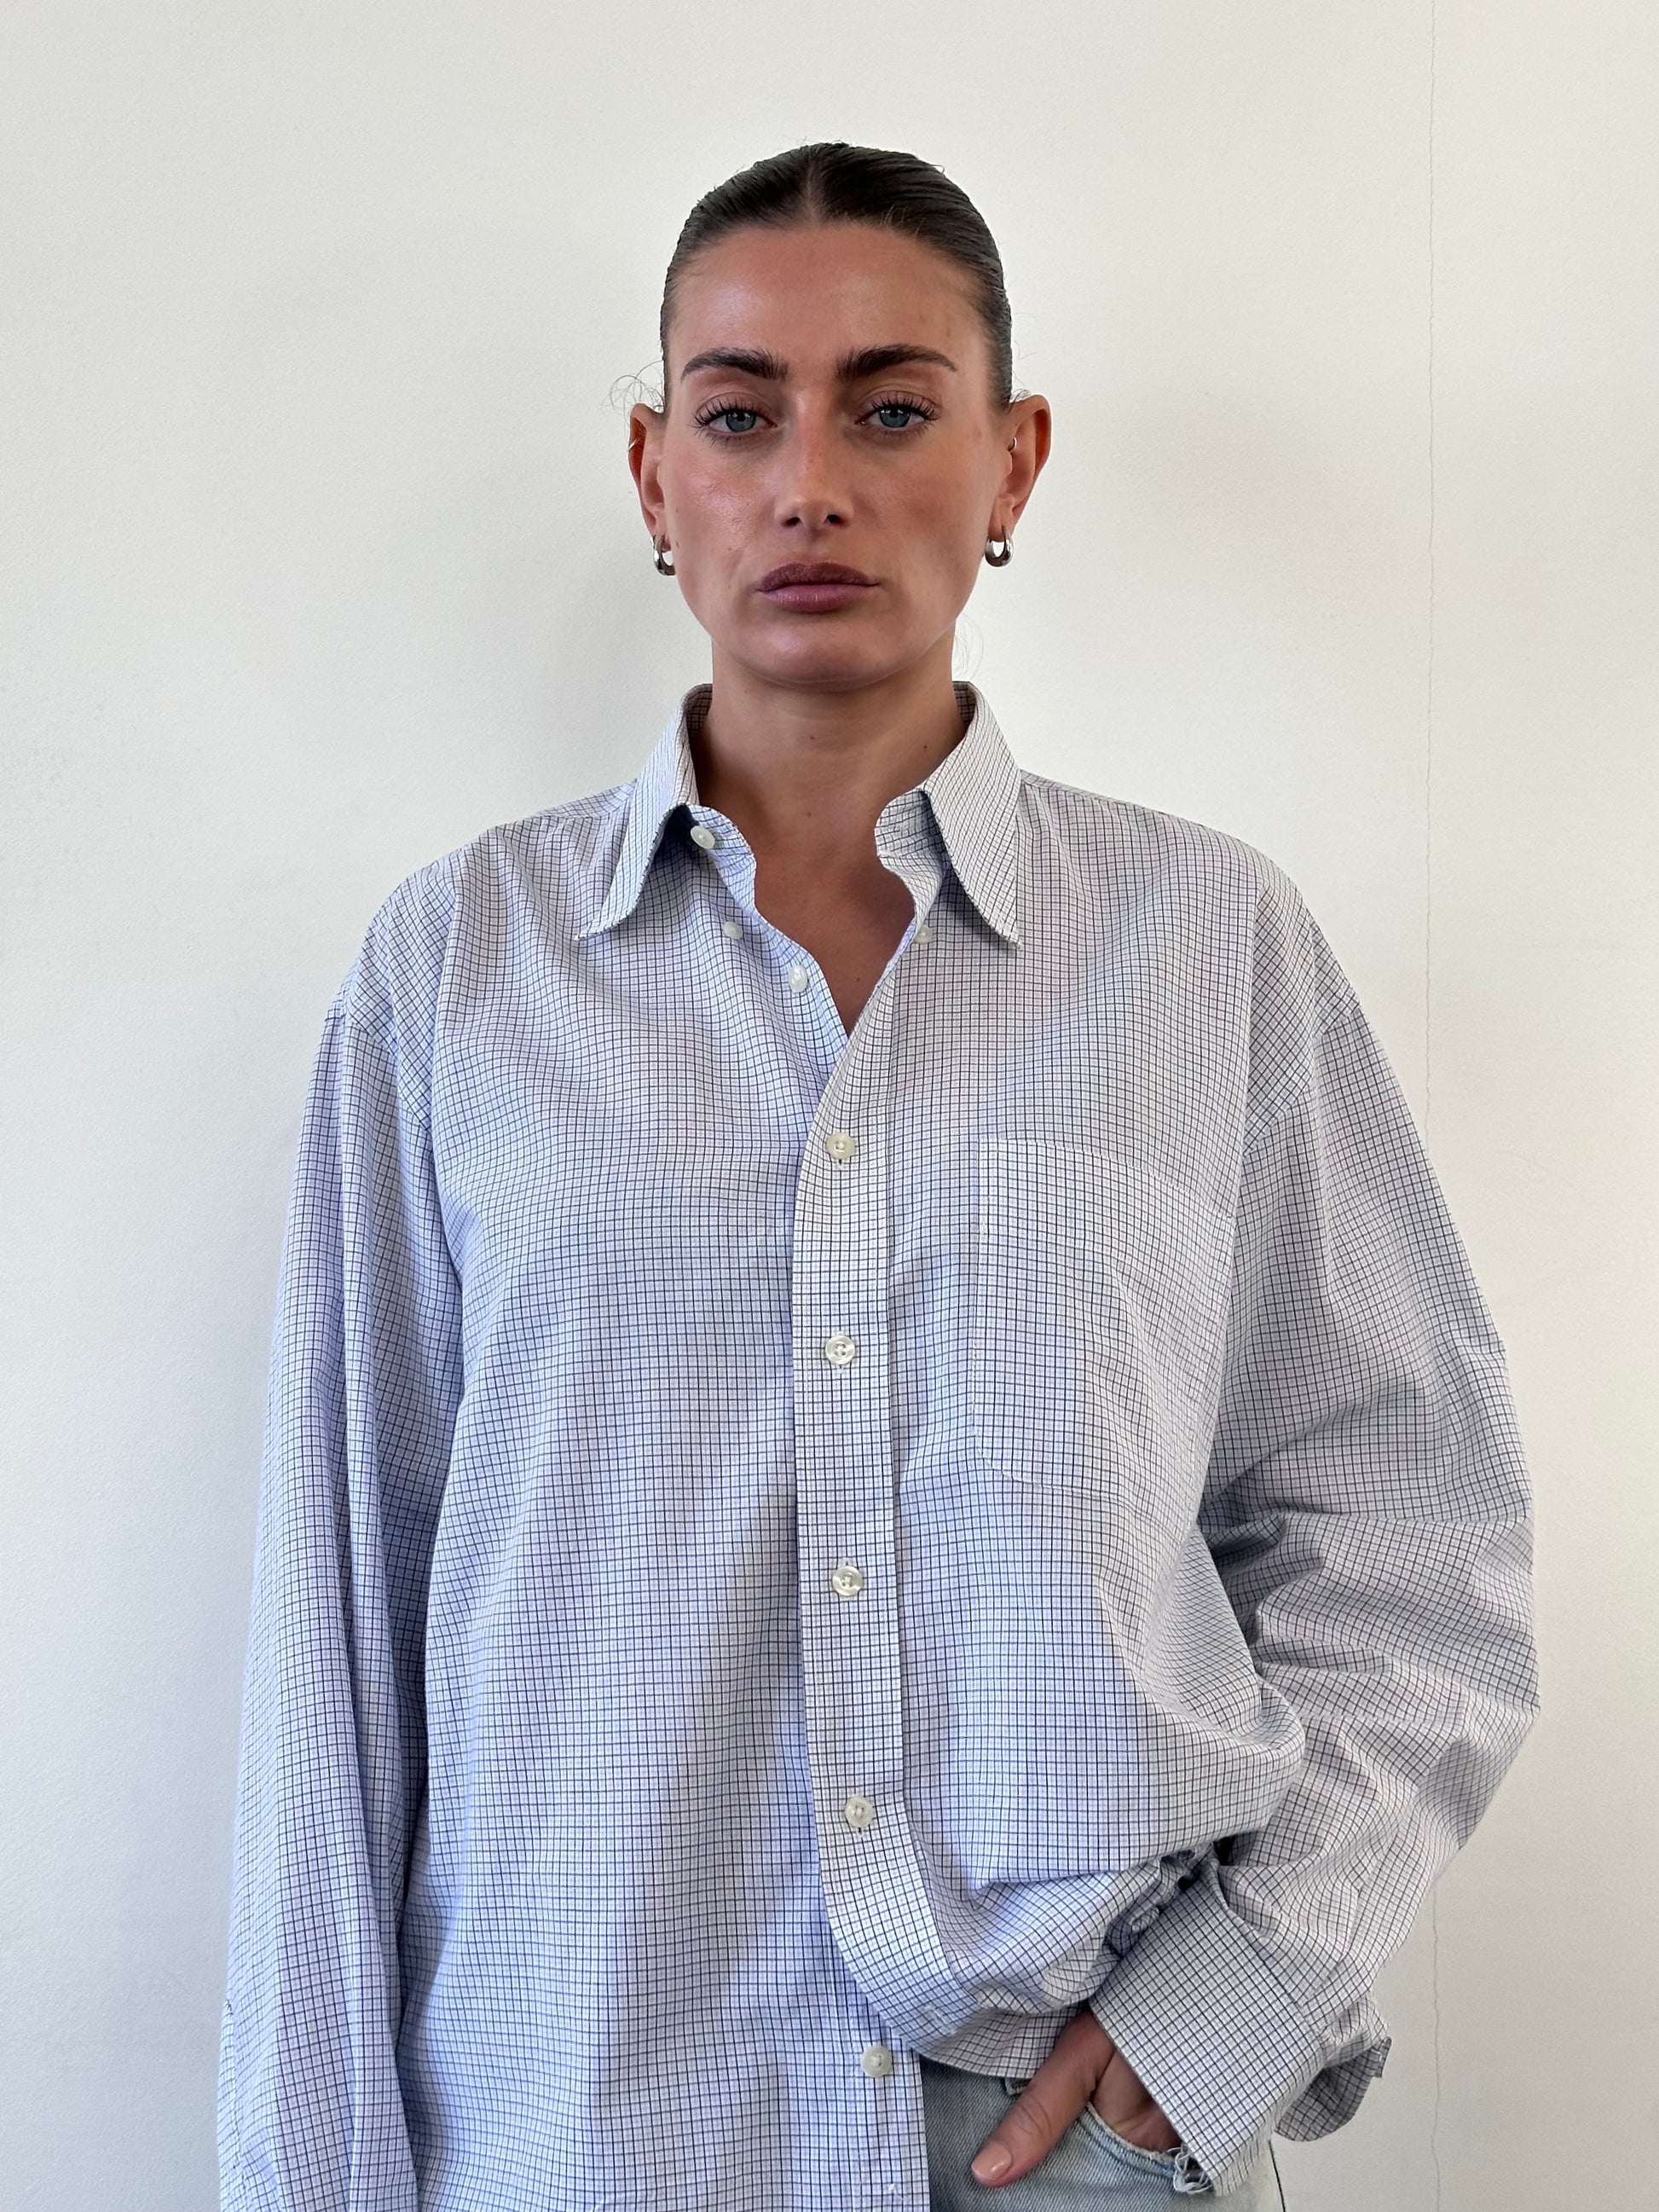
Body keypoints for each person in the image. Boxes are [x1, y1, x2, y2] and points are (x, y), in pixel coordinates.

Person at [217, 142, 1539, 2212]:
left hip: (1067, 2147)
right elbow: (340, 1637)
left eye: (893, 408)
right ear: (654, 476)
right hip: (584, 2131)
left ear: (1012, 462)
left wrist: (1226, 2009)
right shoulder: (459, 968)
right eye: (741, 413)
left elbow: (1414, 1537)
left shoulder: (1209, 949)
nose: (811, 482)